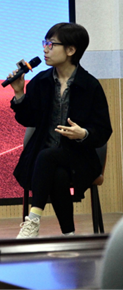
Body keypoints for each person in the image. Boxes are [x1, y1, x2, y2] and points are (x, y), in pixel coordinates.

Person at [10, 22, 112, 238]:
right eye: (44, 43)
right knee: (56, 171)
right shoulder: (41, 82)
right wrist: (19, 94)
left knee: (48, 157)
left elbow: (104, 130)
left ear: (71, 50)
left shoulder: (90, 86)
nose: (45, 49)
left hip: (79, 156)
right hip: (44, 156)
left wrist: (83, 134)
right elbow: (29, 119)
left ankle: (33, 220)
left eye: (51, 44)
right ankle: (69, 235)